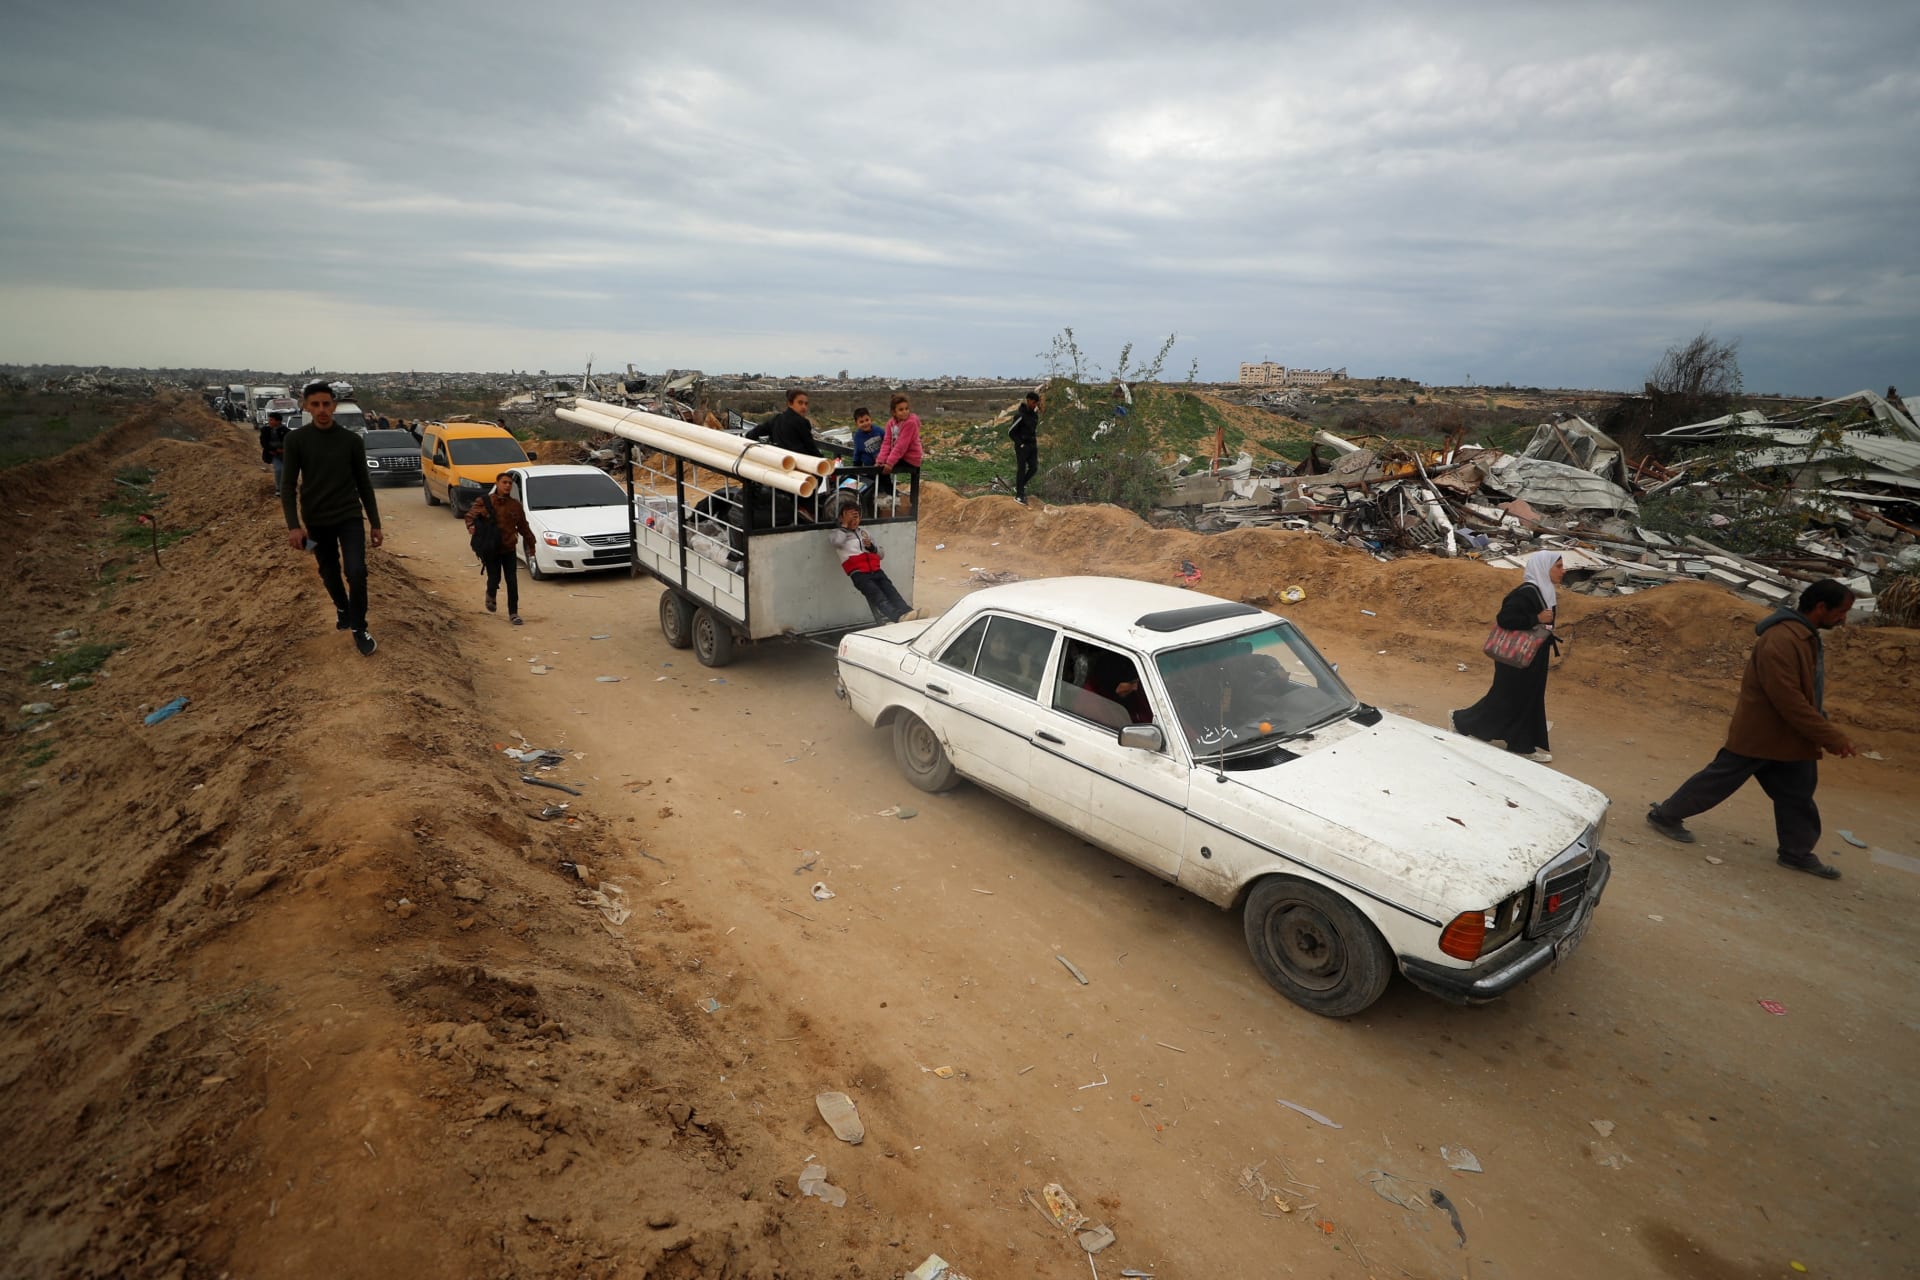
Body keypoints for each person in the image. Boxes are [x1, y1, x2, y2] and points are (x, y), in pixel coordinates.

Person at [1645, 580, 1862, 879]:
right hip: (1762, 734)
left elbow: (1807, 693)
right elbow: (1788, 698)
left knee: (1797, 794)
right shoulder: (1781, 640)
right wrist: (1829, 736)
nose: (1844, 619)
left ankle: (1796, 853)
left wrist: (1821, 728)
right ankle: (1665, 815)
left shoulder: (1803, 637)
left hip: (1788, 738)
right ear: (1821, 607)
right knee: (1718, 780)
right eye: (1842, 611)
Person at [282, 379, 383, 655]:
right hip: (315, 521)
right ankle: (342, 607)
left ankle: (359, 627)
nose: (322, 409)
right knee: (328, 570)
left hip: (349, 516)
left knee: (356, 571)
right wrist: (294, 526)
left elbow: (364, 484)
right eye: (316, 404)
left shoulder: (350, 441)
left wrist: (375, 523)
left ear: (334, 405)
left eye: (327, 404)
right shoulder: (296, 440)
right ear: (306, 407)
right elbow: (288, 486)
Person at [1451, 550, 1563, 762]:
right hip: (1516, 658)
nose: (1562, 571)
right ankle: (1461, 721)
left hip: (1533, 657)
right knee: (1505, 697)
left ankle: (1520, 744)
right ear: (1543, 568)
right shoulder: (1526, 592)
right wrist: (1535, 617)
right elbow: (1505, 618)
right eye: (1558, 566)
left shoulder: (1545, 591)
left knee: (1527, 699)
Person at [464, 473, 536, 625]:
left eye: (510, 483)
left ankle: (514, 613)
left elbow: (524, 527)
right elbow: (470, 516)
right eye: (504, 482)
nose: (507, 485)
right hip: (491, 548)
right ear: (497, 484)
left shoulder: (515, 505)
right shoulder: (484, 501)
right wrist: (472, 528)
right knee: (494, 577)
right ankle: (491, 594)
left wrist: (531, 545)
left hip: (509, 548)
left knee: (512, 581)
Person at [828, 499, 911, 624]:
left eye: (856, 516)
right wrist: (844, 525)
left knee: (891, 592)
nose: (854, 520)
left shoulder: (864, 532)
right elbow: (837, 543)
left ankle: (908, 612)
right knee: (879, 597)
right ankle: (898, 617)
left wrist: (872, 547)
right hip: (859, 573)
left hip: (876, 570)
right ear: (841, 518)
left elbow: (881, 554)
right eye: (850, 516)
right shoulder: (837, 533)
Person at [747, 389, 821, 457]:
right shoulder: (802, 422)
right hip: (796, 463)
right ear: (790, 403)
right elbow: (811, 448)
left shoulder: (777, 419)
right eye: (800, 403)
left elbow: (754, 433)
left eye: (806, 404)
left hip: (779, 461)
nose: (804, 407)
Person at [877, 393, 923, 478]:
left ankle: (887, 489)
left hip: (911, 458)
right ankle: (884, 488)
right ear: (894, 412)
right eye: (901, 410)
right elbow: (886, 442)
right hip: (900, 456)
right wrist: (880, 460)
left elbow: (901, 445)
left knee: (884, 467)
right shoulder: (890, 423)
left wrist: (889, 463)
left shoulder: (910, 423)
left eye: (906, 409)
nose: (905, 412)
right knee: (879, 465)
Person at [1008, 391, 1040, 504]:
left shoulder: (1035, 415)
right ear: (1028, 400)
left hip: (1032, 446)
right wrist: (1020, 443)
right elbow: (1011, 432)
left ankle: (1020, 486)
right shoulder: (1020, 415)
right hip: (1022, 447)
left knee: (1034, 468)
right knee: (1021, 470)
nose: (1035, 405)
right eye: (1034, 402)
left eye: (1037, 403)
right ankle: (1019, 496)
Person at [259, 411, 292, 497]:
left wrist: (284, 450)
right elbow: (264, 443)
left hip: (285, 455)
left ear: (278, 421)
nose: (269, 422)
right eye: (269, 420)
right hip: (273, 454)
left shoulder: (286, 431)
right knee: (278, 469)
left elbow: (290, 443)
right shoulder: (265, 430)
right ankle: (278, 489)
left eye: (271, 420)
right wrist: (275, 450)